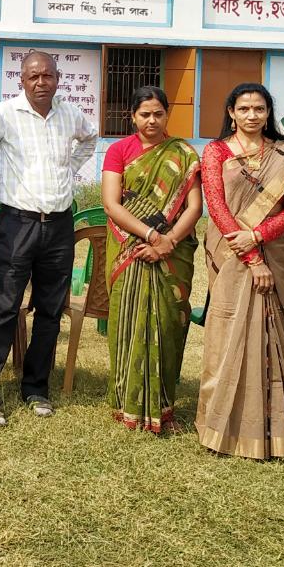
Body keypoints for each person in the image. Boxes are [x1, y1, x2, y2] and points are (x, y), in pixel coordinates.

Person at [0, 50, 99, 426]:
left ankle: (36, 388)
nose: (41, 82)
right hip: (17, 223)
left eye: (48, 76)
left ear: (58, 78)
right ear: (21, 80)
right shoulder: (1, 115)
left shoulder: (69, 113)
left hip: (59, 225)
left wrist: (68, 168)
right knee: (4, 307)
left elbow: (90, 139)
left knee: (50, 310)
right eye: (33, 76)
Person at [198, 82, 284, 459]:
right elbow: (216, 206)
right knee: (226, 336)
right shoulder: (216, 151)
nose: (252, 115)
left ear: (268, 113)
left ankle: (274, 430)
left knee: (273, 335)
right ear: (231, 113)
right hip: (231, 254)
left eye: (259, 109)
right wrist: (252, 257)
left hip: (274, 252)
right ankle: (222, 427)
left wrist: (257, 235)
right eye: (244, 109)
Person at [100, 85, 202, 434]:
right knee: (127, 323)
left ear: (167, 114)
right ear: (132, 116)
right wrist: (151, 235)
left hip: (173, 253)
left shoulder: (183, 154)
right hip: (129, 248)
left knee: (168, 324)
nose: (152, 120)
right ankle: (126, 405)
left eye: (159, 113)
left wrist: (168, 241)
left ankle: (163, 406)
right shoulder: (119, 150)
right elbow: (111, 204)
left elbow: (194, 207)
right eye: (145, 114)